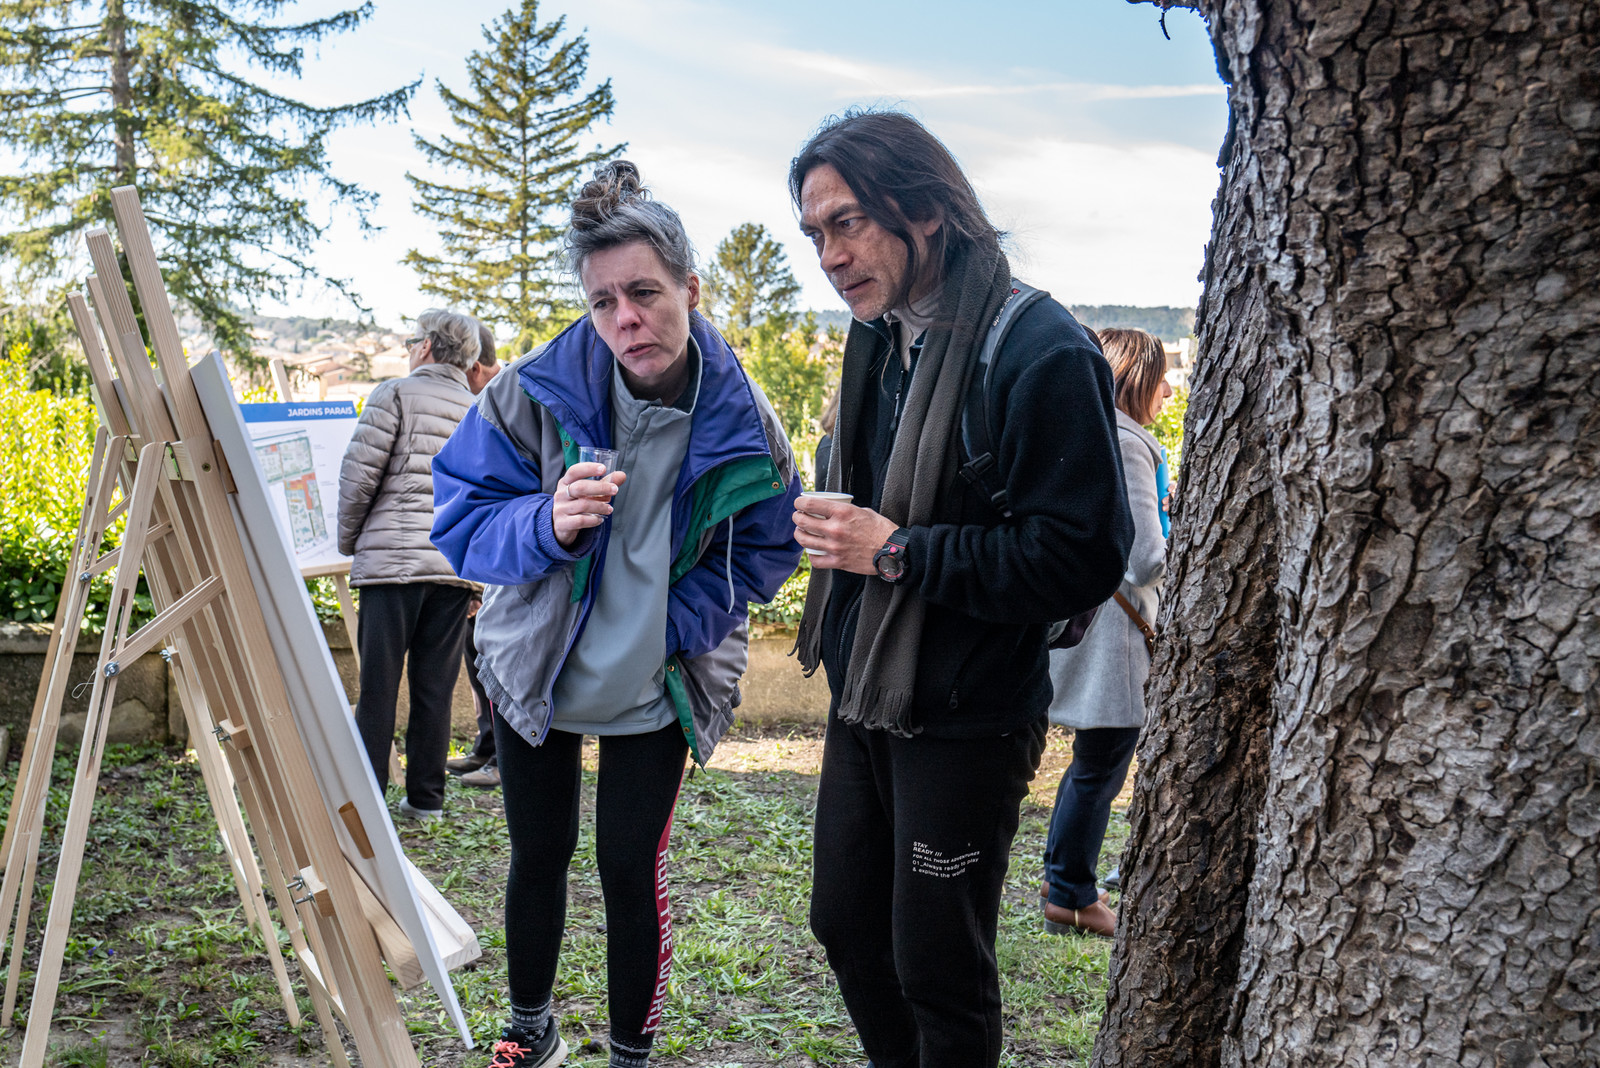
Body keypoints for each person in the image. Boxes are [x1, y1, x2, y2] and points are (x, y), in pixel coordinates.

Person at [430, 160, 803, 1068]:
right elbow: (460, 518)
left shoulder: (746, 420)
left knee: (629, 872)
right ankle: (530, 1033)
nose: (625, 321)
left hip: (658, 684)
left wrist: (680, 625)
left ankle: (632, 1054)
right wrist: (544, 523)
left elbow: (765, 549)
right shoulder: (530, 391)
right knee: (538, 856)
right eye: (603, 302)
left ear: (690, 288)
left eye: (644, 292)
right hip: (538, 672)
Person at [789, 110, 1134, 1067]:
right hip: (871, 691)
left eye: (848, 222)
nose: (829, 254)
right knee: (846, 929)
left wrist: (895, 553)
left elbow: (1079, 558)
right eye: (815, 232)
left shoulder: (1038, 348)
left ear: (927, 211)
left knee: (938, 962)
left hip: (971, 711)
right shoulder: (882, 336)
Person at [1041, 327, 1173, 938]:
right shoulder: (1129, 443)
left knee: (1093, 762)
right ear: (1136, 380)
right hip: (1113, 633)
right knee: (1101, 764)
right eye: (1160, 378)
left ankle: (1066, 882)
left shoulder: (1086, 430)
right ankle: (1069, 893)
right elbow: (1145, 556)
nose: (1168, 391)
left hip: (1090, 620)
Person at [338, 308, 482, 820]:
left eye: (410, 339)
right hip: (453, 571)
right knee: (435, 689)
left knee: (378, 688)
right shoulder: (479, 408)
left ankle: (372, 802)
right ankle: (426, 800)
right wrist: (478, 581)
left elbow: (358, 479)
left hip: (392, 567)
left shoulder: (394, 394)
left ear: (424, 346)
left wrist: (349, 542)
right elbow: (490, 497)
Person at [449, 322, 504, 789]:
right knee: (477, 664)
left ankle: (500, 758)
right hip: (479, 577)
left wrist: (479, 585)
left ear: (479, 368)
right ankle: (487, 749)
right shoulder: (482, 399)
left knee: (497, 670)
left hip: (503, 582)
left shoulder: (503, 403)